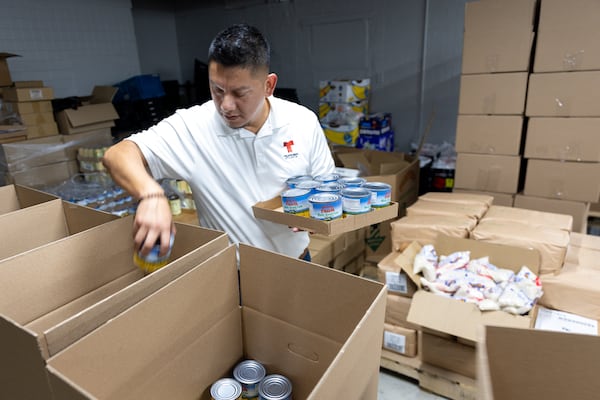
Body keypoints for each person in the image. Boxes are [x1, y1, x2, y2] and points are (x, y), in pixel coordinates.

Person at [103, 23, 335, 261]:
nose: (226, 105)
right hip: (232, 275)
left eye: (239, 93)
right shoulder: (193, 127)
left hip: (298, 261)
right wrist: (151, 195)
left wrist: (316, 212)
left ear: (268, 85)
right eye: (217, 90)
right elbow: (118, 155)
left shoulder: (302, 121)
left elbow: (325, 186)